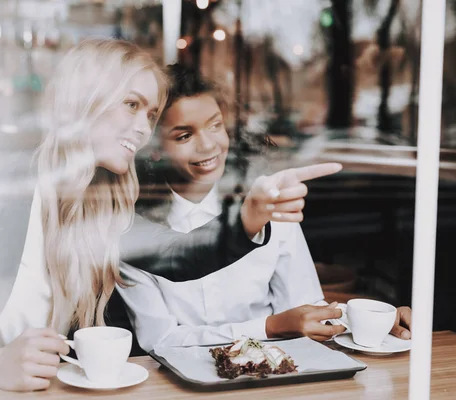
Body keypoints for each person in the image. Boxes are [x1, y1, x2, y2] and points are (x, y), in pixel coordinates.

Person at [0, 39, 282, 392]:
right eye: (131, 105)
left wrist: (250, 216)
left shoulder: (99, 206)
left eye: (150, 114)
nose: (143, 128)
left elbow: (177, 255)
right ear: (85, 99)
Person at [117, 64, 413, 352]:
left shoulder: (270, 205)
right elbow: (160, 340)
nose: (208, 145)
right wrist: (269, 327)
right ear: (153, 147)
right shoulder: (133, 230)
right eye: (184, 135)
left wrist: (375, 320)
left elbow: (304, 310)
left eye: (215, 125)